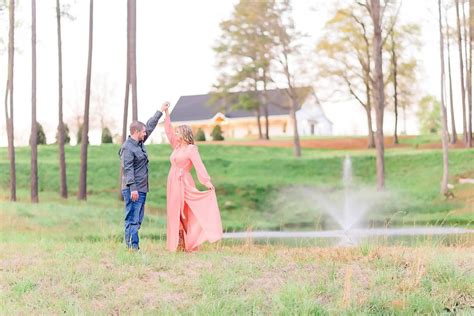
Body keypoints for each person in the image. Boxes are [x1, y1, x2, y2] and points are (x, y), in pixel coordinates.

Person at [162, 102, 223, 252]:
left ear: (184, 134)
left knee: (187, 212)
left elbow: (199, 165)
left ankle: (190, 243)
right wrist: (166, 113)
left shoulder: (191, 149)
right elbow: (168, 131)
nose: (175, 135)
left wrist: (207, 182)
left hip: (184, 183)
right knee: (174, 212)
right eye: (176, 133)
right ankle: (178, 244)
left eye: (178, 133)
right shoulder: (176, 147)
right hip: (172, 182)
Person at [118, 104, 167, 250]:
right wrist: (133, 188)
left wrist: (160, 111)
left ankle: (130, 246)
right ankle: (133, 247)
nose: (146, 134)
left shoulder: (139, 143)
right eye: (143, 132)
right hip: (133, 189)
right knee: (133, 219)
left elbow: (150, 126)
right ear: (136, 132)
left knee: (137, 219)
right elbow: (127, 169)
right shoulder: (127, 148)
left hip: (141, 188)